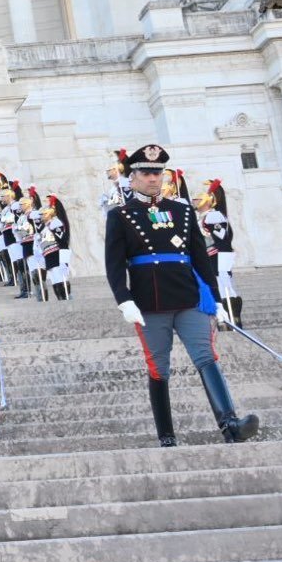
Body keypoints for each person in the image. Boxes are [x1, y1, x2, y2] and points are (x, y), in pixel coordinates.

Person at [107, 144, 258, 448]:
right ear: (132, 177)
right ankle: (166, 436)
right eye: (146, 173)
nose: (153, 178)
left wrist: (215, 300)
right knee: (159, 368)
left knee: (206, 358)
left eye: (157, 173)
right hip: (149, 302)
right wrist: (124, 300)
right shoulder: (121, 215)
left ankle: (230, 424)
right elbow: (114, 263)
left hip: (187, 297)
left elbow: (201, 259)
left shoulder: (183, 211)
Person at [196, 180, 243, 329]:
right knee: (216, 285)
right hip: (209, 255)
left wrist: (222, 258)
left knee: (224, 285)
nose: (195, 200)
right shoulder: (202, 217)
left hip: (218, 255)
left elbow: (221, 238)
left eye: (198, 197)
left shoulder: (214, 215)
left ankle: (233, 319)